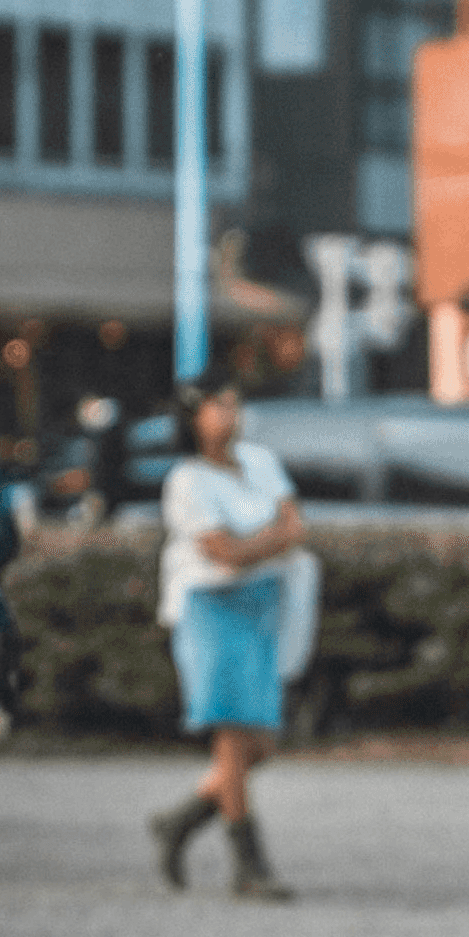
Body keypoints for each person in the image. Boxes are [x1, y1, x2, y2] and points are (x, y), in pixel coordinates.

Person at [148, 380, 303, 900]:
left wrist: (257, 544)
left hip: (261, 605)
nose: (230, 414)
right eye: (219, 404)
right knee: (234, 736)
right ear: (192, 416)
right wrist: (269, 541)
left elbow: (290, 526)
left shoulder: (259, 460)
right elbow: (223, 554)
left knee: (260, 745)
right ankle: (248, 863)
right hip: (210, 608)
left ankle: (181, 820)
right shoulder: (188, 481)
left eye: (235, 403)